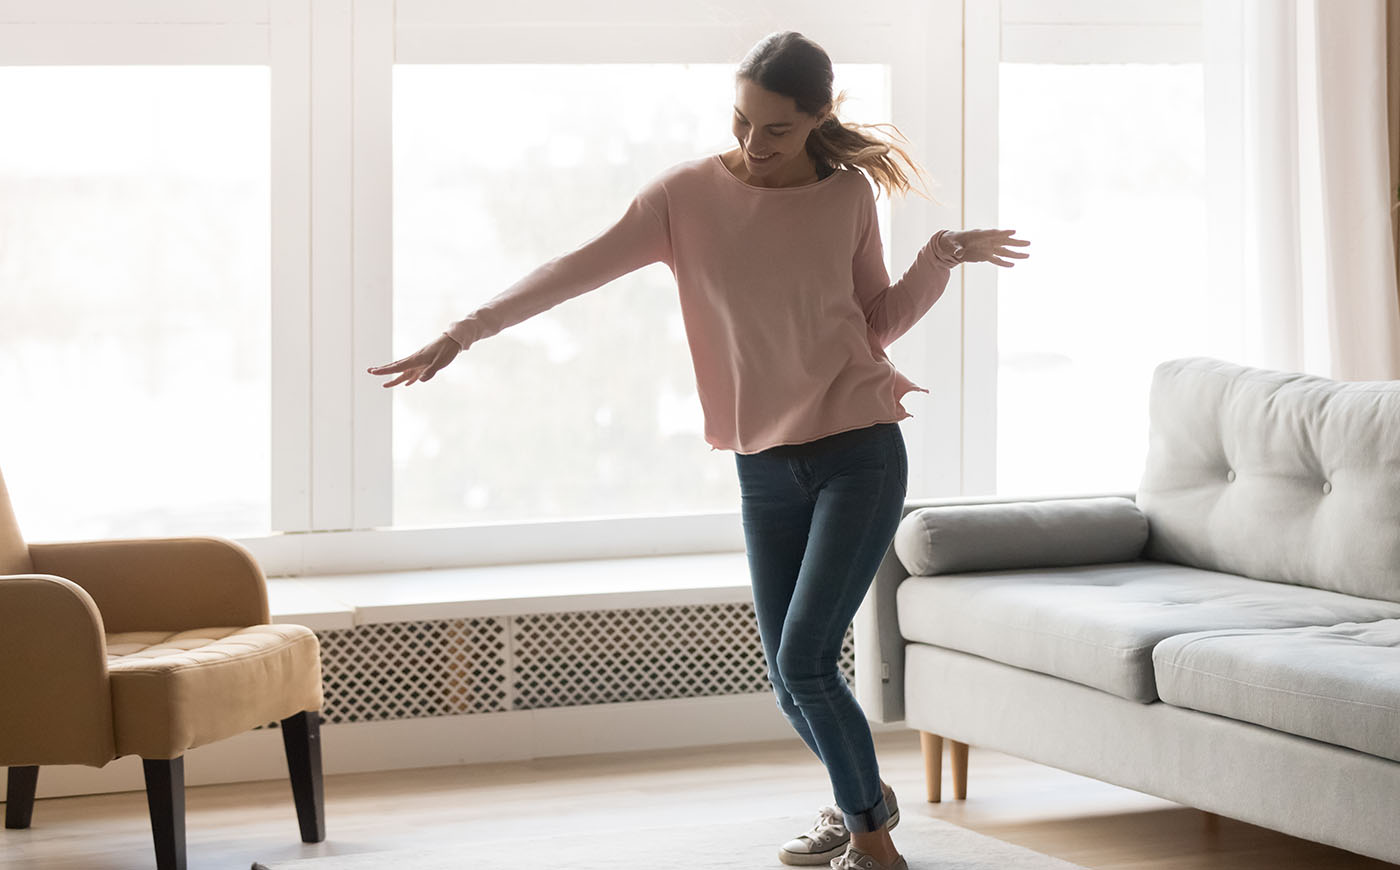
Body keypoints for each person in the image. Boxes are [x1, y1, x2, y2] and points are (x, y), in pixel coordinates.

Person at [369, 30, 1029, 870]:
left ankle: (873, 846)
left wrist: (939, 258)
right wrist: (463, 333)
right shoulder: (685, 196)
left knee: (807, 661)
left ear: (817, 119)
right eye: (742, 122)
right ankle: (863, 799)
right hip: (764, 464)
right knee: (790, 681)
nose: (753, 146)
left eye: (776, 131)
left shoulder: (849, 196)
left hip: (859, 451)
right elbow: (574, 269)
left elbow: (875, 324)